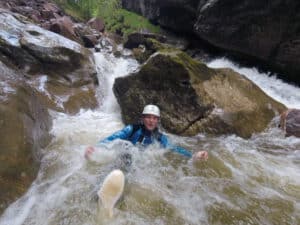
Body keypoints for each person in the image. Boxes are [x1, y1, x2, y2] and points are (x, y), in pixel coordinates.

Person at [85, 104, 208, 162]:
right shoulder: (132, 129)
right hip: (123, 156)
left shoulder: (159, 137)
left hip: (140, 162)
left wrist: (193, 155)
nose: (151, 120)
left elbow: (173, 148)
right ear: (143, 118)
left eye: (154, 118)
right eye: (148, 117)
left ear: (158, 121)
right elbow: (113, 138)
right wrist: (95, 148)